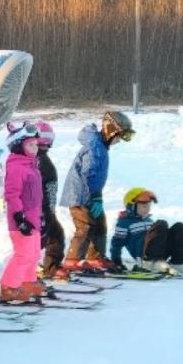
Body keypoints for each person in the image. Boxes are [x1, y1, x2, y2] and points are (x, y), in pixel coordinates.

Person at [60, 109, 134, 269]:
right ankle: (72, 260)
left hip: (91, 194)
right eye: (119, 137)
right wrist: (95, 196)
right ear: (111, 132)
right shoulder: (95, 148)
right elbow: (89, 174)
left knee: (100, 223)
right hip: (80, 195)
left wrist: (97, 195)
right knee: (85, 226)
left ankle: (95, 256)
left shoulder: (101, 147)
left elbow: (97, 177)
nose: (119, 141)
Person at [0, 122, 45, 302]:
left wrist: (41, 217)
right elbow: (12, 194)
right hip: (21, 221)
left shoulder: (31, 166)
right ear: (18, 146)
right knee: (23, 254)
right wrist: (19, 217)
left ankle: (26, 282)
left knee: (33, 254)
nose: (35, 149)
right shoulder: (16, 166)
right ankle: (8, 286)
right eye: (30, 145)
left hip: (33, 218)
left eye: (36, 145)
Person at [110, 189, 183, 275]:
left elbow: (158, 240)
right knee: (161, 223)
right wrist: (116, 260)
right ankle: (152, 262)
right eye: (144, 206)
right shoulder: (124, 222)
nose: (147, 209)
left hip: (159, 254)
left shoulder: (149, 220)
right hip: (144, 257)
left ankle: (179, 262)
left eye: (149, 206)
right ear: (131, 206)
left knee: (179, 227)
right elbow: (117, 242)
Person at [34, 121, 66, 278]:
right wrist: (45, 208)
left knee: (54, 235)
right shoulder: (38, 160)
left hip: (44, 207)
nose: (46, 145)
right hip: (41, 208)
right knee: (48, 237)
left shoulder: (38, 158)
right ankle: (46, 268)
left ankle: (50, 267)